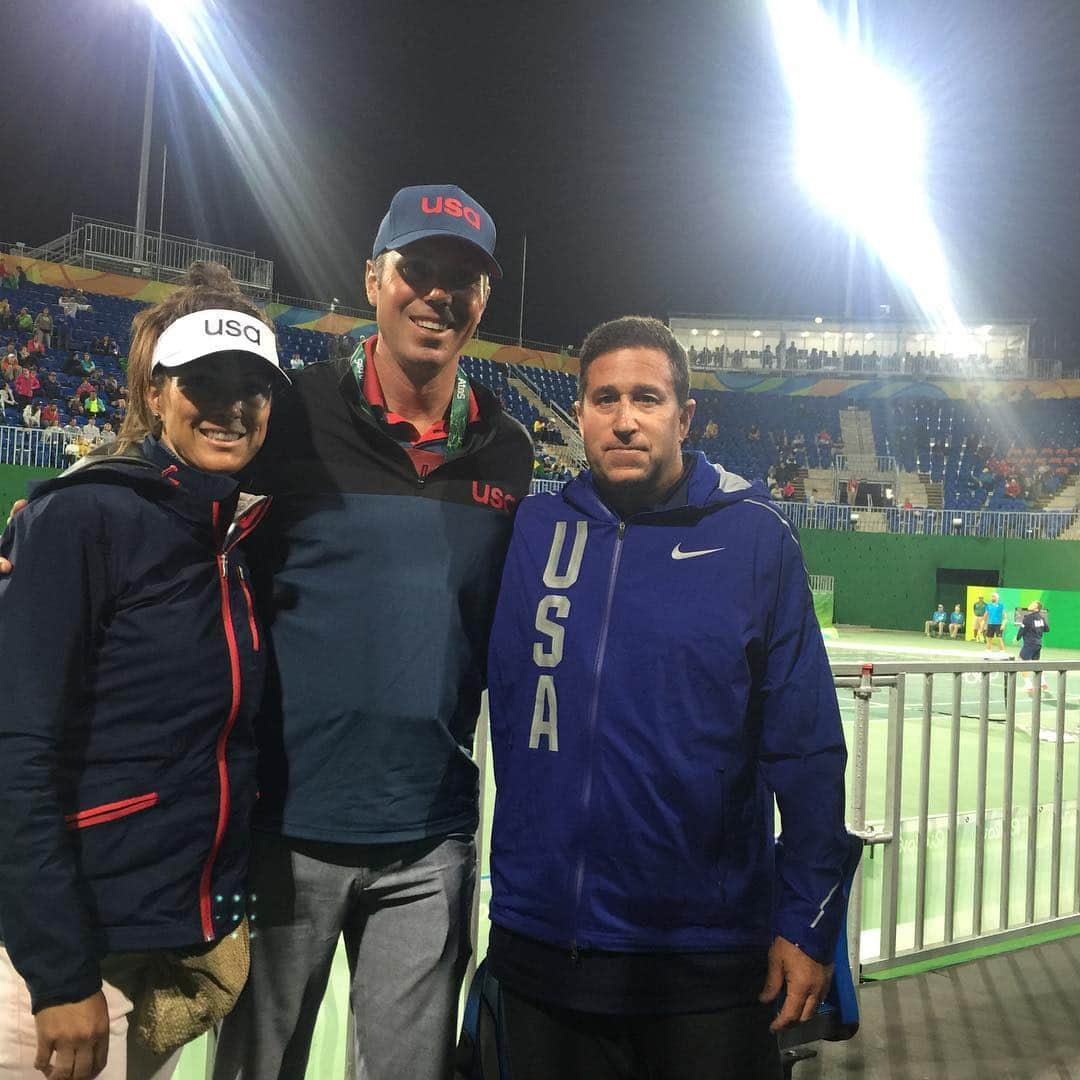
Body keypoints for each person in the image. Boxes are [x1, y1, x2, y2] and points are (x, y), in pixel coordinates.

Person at [211, 184, 534, 1080]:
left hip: (431, 838)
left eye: (462, 279)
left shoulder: (507, 448)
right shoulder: (290, 415)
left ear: (482, 301)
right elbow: (178, 500)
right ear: (373, 279)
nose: (438, 294)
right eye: (417, 270)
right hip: (285, 829)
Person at [485, 316, 849, 1079]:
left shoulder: (755, 539)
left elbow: (806, 747)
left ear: (684, 416)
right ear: (577, 413)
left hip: (705, 961)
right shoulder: (532, 531)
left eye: (646, 399)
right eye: (603, 398)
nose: (624, 418)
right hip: (543, 947)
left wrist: (809, 921)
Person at [0, 263, 289, 1079]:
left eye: (252, 385)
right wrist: (58, 974)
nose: (230, 403)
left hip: (146, 946)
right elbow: (17, 749)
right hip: (56, 963)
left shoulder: (228, 533)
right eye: (203, 378)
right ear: (154, 391)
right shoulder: (81, 514)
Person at [1017, 600, 1050, 694]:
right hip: (1038, 644)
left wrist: (1017, 638)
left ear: (1036, 608)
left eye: (1033, 604)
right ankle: (1043, 683)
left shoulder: (1028, 618)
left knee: (1021, 662)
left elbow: (1022, 630)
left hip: (1029, 644)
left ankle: (1028, 686)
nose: (1030, 604)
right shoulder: (1041, 618)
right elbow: (1047, 629)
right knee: (1036, 663)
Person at [984, 591, 1007, 656]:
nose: (992, 597)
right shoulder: (988, 605)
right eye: (992, 596)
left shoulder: (1001, 606)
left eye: (993, 596)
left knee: (999, 637)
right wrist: (984, 624)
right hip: (990, 624)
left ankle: (1002, 651)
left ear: (997, 598)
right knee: (989, 637)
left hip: (998, 624)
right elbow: (986, 615)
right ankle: (988, 650)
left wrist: (1003, 624)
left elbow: (1005, 616)